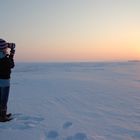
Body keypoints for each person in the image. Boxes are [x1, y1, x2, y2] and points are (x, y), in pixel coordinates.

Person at [0, 38, 15, 122]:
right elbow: (12, 65)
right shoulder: (5, 60)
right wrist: (11, 54)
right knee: (4, 100)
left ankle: (1, 114)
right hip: (5, 82)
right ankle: (3, 116)